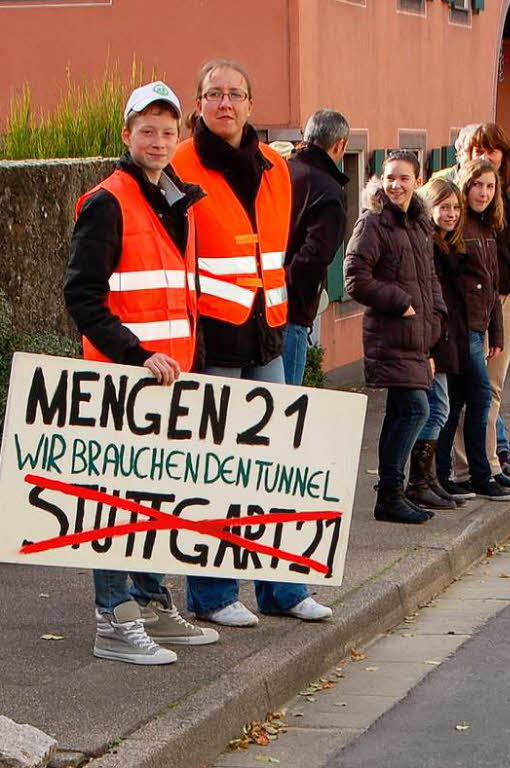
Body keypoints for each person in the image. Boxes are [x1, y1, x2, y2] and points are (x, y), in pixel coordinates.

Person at [65, 81, 219, 664]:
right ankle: (114, 616)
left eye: (167, 131)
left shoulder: (177, 200)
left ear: (179, 139)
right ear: (127, 135)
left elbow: (181, 298)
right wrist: (135, 356)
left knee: (159, 498)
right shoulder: (107, 201)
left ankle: (152, 602)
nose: (158, 141)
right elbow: (82, 297)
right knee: (114, 502)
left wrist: (192, 367)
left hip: (170, 382)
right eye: (146, 130)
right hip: (121, 380)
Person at [172, 59, 331, 624]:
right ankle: (213, 595)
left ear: (250, 105)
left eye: (235, 94)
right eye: (213, 94)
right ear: (198, 102)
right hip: (213, 339)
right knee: (216, 472)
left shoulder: (273, 166)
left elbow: (274, 251)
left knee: (275, 468)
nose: (224, 103)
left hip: (267, 333)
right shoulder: (177, 165)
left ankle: (283, 588)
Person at [345, 150, 447, 523]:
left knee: (404, 412)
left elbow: (429, 277)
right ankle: (390, 491)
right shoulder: (373, 223)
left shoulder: (419, 223)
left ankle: (391, 494)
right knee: (416, 410)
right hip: (390, 335)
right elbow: (355, 277)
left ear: (417, 181)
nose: (396, 185)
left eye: (404, 178)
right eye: (390, 178)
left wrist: (435, 319)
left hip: (417, 337)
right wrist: (400, 302)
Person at [436, 158, 510, 501]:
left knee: (457, 402)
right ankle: (476, 474)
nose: (483, 192)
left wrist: (495, 334)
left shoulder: (487, 227)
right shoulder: (460, 227)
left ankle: (454, 474)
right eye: (477, 185)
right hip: (461, 327)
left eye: (490, 186)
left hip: (478, 327)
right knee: (474, 397)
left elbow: (493, 284)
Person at [452, 123, 510, 488]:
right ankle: (472, 468)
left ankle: (490, 462)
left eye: (493, 149)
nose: (486, 155)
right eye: (480, 148)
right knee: (476, 392)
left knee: (493, 389)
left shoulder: (501, 196)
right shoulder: (463, 207)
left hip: (504, 299)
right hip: (475, 308)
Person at [404, 177, 466, 512]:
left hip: (444, 337)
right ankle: (418, 482)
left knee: (439, 408)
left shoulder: (447, 244)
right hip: (431, 339)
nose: (451, 214)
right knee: (434, 408)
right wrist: (428, 346)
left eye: (456, 208)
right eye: (444, 207)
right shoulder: (428, 242)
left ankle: (427, 480)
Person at [282, 109, 350, 386]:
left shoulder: (281, 171)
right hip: (293, 309)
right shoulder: (328, 190)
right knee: (285, 403)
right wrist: (287, 288)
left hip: (257, 305)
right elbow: (316, 256)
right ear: (340, 145)